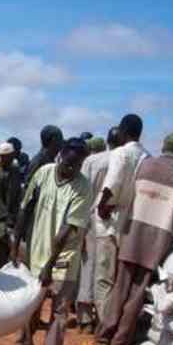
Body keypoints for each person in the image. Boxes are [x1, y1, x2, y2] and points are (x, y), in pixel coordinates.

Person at [84, 132, 173, 345]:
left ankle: (102, 339)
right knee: (137, 293)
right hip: (158, 238)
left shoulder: (145, 165)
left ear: (164, 145)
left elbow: (127, 194)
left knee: (120, 288)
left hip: (132, 232)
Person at [11, 138, 91, 345]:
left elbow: (66, 231)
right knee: (33, 303)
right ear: (61, 155)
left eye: (77, 165)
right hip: (37, 252)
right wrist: (15, 244)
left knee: (59, 311)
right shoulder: (43, 173)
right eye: (68, 163)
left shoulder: (83, 188)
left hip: (64, 256)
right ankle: (24, 343)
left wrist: (50, 265)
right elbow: (26, 208)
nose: (72, 169)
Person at [90, 114, 150, 331]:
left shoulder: (120, 153)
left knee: (104, 277)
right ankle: (116, 322)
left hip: (110, 221)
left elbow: (112, 182)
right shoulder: (146, 156)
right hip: (131, 222)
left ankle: (105, 327)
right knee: (120, 279)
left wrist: (103, 204)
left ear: (123, 131)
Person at [75, 127, 120, 334]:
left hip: (91, 218)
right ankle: (106, 317)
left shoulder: (93, 161)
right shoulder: (128, 161)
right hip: (117, 223)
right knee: (110, 272)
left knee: (88, 265)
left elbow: (81, 193)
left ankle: (85, 318)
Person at [0, 142, 22, 270]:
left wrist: (15, 216)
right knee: (0, 246)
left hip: (13, 216)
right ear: (1, 156)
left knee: (11, 249)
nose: (11, 157)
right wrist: (4, 219)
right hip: (0, 218)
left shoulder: (15, 171)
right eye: (8, 155)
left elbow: (16, 195)